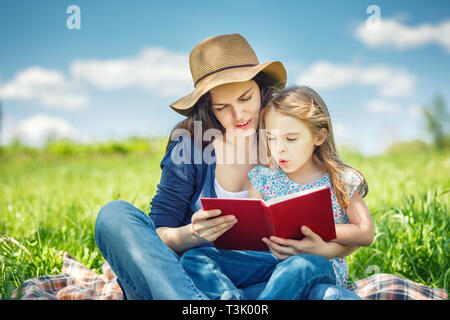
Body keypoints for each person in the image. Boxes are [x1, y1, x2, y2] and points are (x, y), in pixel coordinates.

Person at [94, 33, 360, 300]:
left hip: (273, 282)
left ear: (262, 90)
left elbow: (341, 229)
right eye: (223, 107)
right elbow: (157, 238)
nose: (239, 115)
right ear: (208, 108)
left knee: (327, 294)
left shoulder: (286, 140)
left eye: (246, 98)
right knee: (113, 215)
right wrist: (191, 234)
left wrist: (323, 249)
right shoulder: (190, 147)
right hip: (195, 281)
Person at [180, 85, 373, 300]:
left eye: (290, 139)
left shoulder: (341, 180)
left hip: (316, 262)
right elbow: (255, 233)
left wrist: (320, 237)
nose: (279, 148)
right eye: (271, 138)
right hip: (270, 262)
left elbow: (365, 232)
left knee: (298, 266)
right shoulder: (264, 178)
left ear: (319, 137)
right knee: (196, 258)